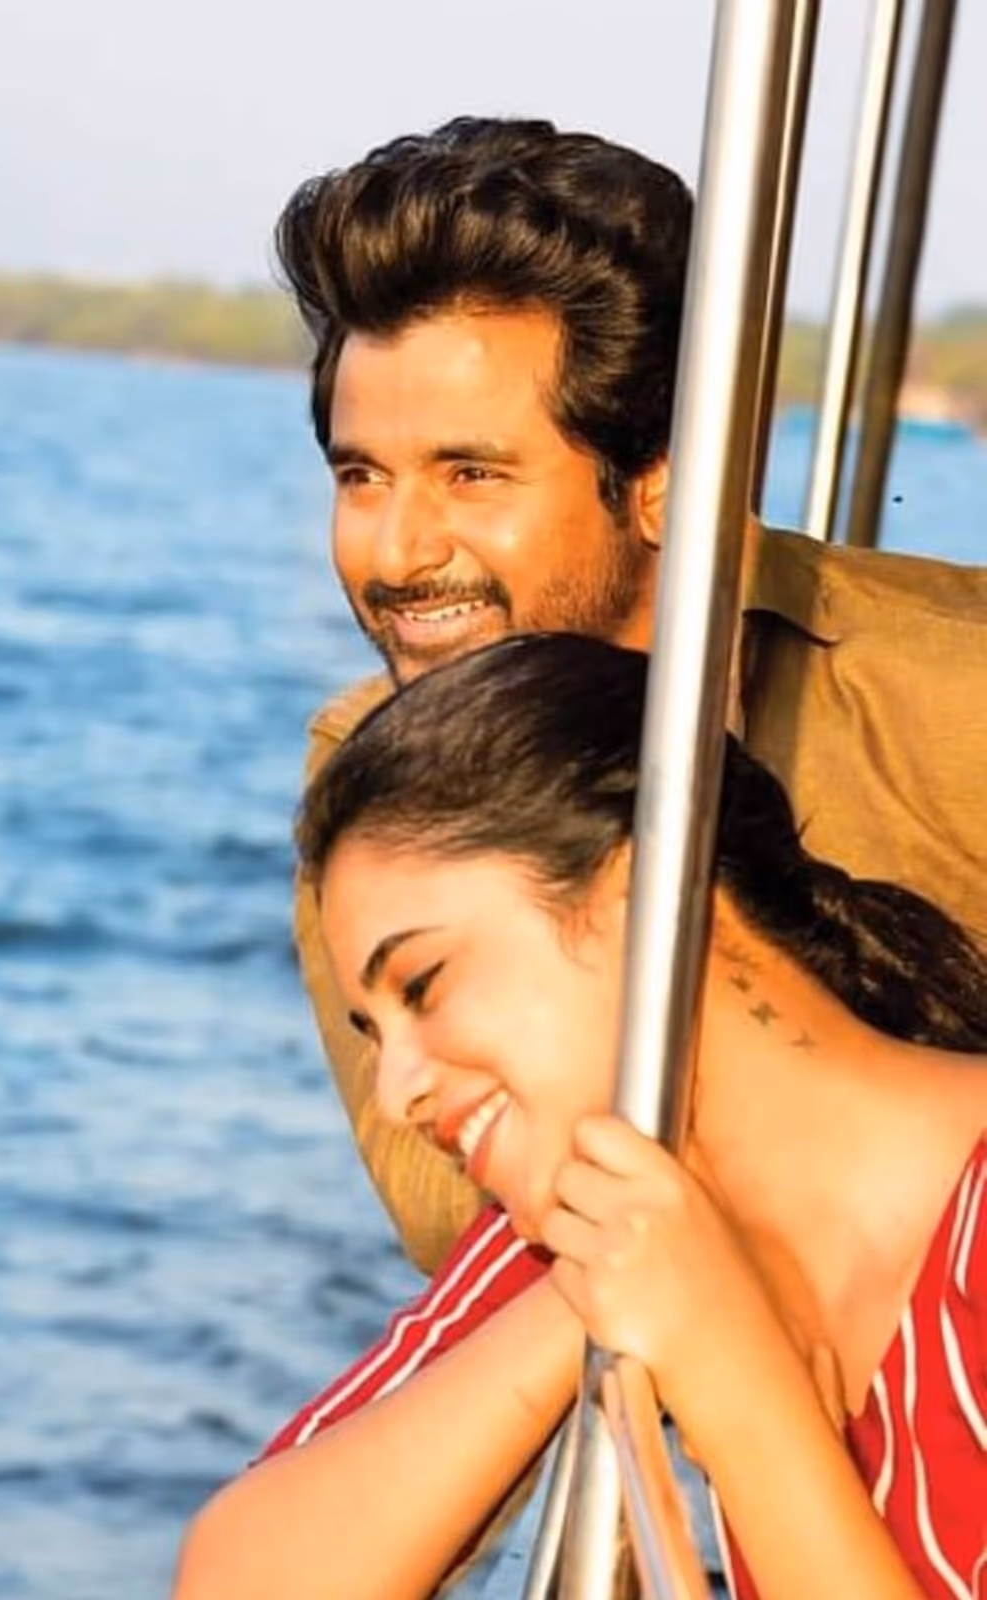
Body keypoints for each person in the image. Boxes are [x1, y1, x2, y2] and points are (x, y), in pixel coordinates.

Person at [275, 115, 987, 1281]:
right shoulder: (370, 766)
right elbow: (459, 1223)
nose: (394, 553)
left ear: (661, 481)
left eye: (470, 474)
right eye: (360, 477)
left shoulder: (949, 696)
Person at [172, 631, 987, 1600]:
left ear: (643, 899)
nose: (395, 1092)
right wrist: (598, 1293)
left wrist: (726, 1364)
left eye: (424, 985)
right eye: (375, 1032)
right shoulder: (589, 1221)